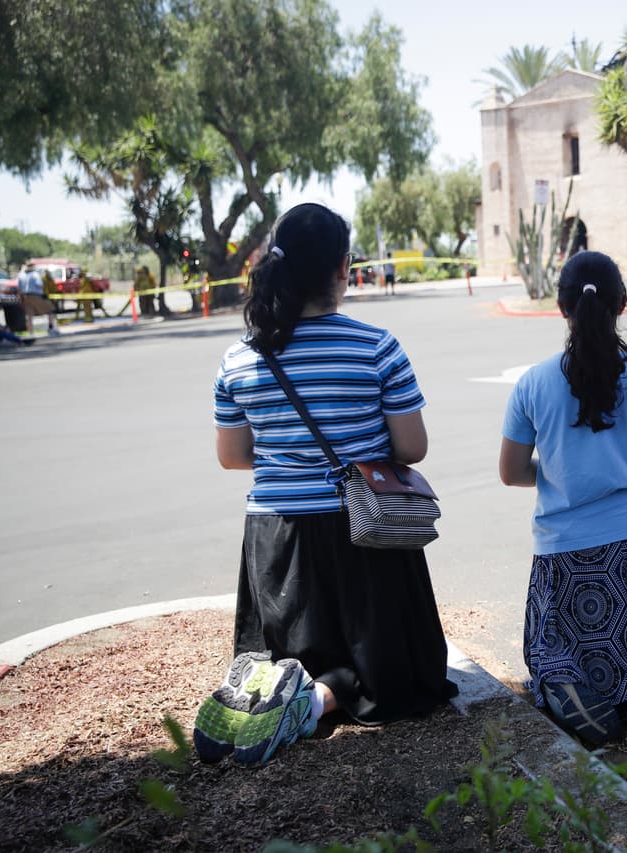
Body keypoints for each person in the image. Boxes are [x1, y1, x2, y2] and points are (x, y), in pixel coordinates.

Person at [196, 202, 457, 767]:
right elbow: (411, 448)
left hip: (275, 535)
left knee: (290, 648)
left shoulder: (239, 359)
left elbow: (233, 457)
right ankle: (317, 700)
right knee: (401, 672)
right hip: (361, 529)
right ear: (343, 268)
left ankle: (274, 689)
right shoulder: (376, 348)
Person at [499, 251, 627, 746]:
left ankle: (565, 682)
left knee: (558, 643)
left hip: (564, 555)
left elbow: (511, 472)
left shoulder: (533, 384)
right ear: (623, 304)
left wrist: (560, 473)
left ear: (562, 308)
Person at [19, 263, 58, 336]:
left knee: (29, 316)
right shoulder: (35, 274)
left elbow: (19, 289)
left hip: (25, 297)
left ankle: (31, 334)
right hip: (36, 296)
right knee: (51, 310)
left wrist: (21, 299)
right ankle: (51, 328)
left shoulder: (21, 275)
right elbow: (39, 285)